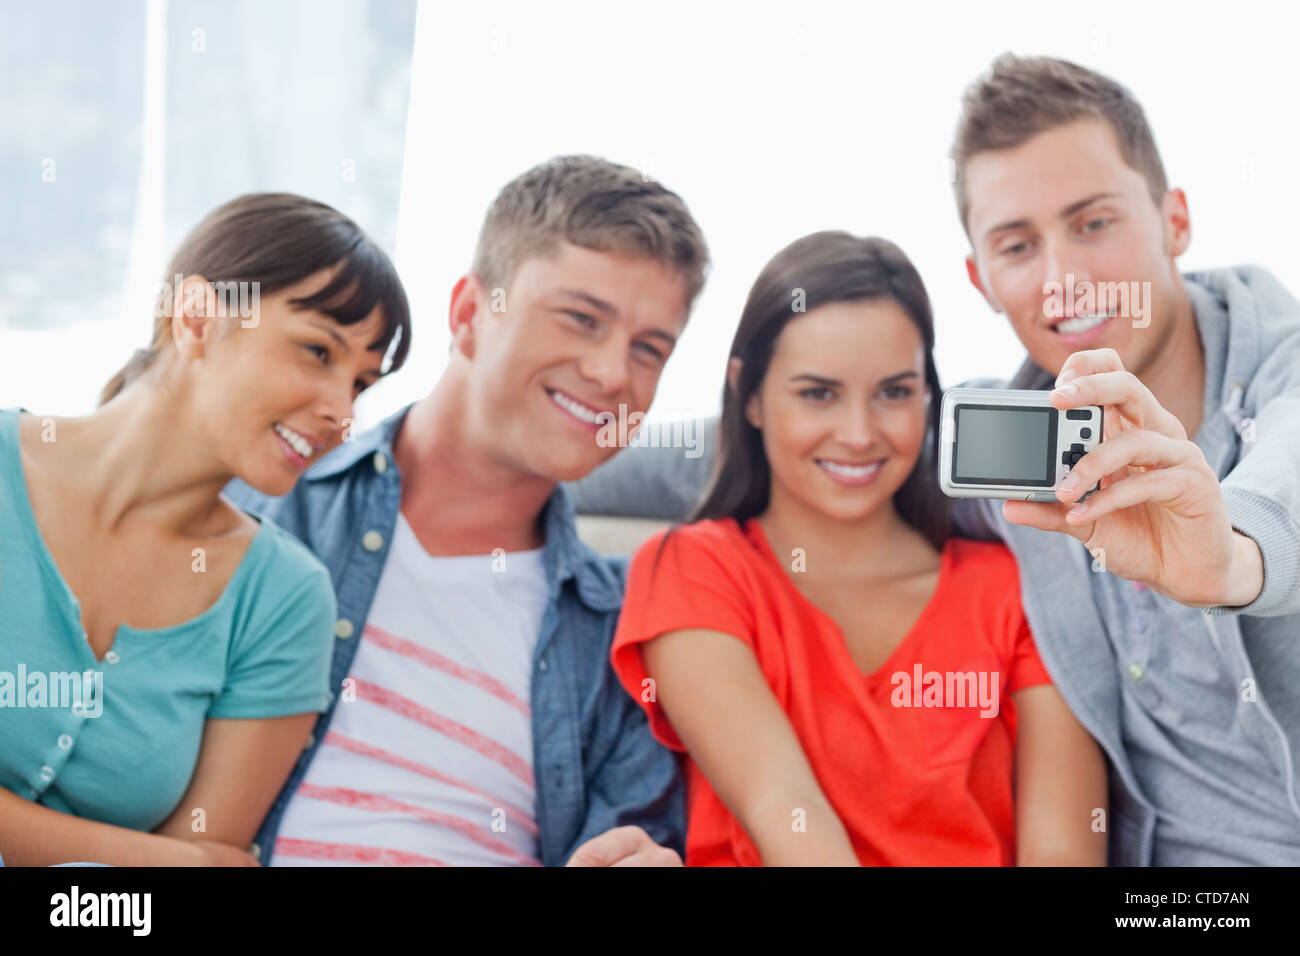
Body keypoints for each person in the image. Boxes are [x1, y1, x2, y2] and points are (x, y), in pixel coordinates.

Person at [573, 55, 1300, 865]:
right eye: (1018, 244)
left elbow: (1284, 488)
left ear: (1176, 221)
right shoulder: (992, 442)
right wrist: (539, 456)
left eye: (1094, 223)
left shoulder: (1283, 375)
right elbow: (793, 449)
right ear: (980, 277)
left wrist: (1231, 558)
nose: (1064, 279)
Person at [222, 155, 709, 866]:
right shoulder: (262, 499)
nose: (612, 374)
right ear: (470, 314)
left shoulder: (627, 636)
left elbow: (633, 833)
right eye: (580, 318)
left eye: (649, 349)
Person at [609, 231, 1107, 865]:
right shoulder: (694, 569)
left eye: (894, 393)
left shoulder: (1012, 588)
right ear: (750, 395)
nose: (858, 433)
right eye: (818, 393)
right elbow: (789, 822)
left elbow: (1064, 853)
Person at [0, 192, 410, 866]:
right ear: (195, 317)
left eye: (362, 384)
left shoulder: (284, 597)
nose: (341, 412)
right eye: (316, 351)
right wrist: (175, 859)